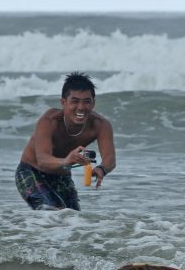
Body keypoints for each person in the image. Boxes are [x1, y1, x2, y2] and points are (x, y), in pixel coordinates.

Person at [15, 72, 116, 210]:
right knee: (54, 212)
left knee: (73, 220)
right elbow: (43, 160)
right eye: (75, 101)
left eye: (87, 101)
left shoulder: (100, 125)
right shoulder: (50, 121)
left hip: (62, 176)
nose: (81, 107)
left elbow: (110, 159)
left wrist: (102, 169)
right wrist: (66, 160)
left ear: (93, 103)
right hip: (32, 172)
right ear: (63, 102)